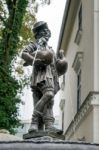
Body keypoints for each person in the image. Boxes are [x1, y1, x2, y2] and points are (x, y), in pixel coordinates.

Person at [21, 21, 67, 133]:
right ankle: (34, 121)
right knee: (48, 95)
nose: (46, 32)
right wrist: (33, 60)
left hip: (50, 76)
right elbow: (24, 53)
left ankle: (47, 124)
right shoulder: (36, 44)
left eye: (47, 30)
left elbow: (57, 65)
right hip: (40, 75)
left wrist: (62, 60)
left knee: (49, 101)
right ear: (38, 34)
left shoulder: (50, 49)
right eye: (43, 31)